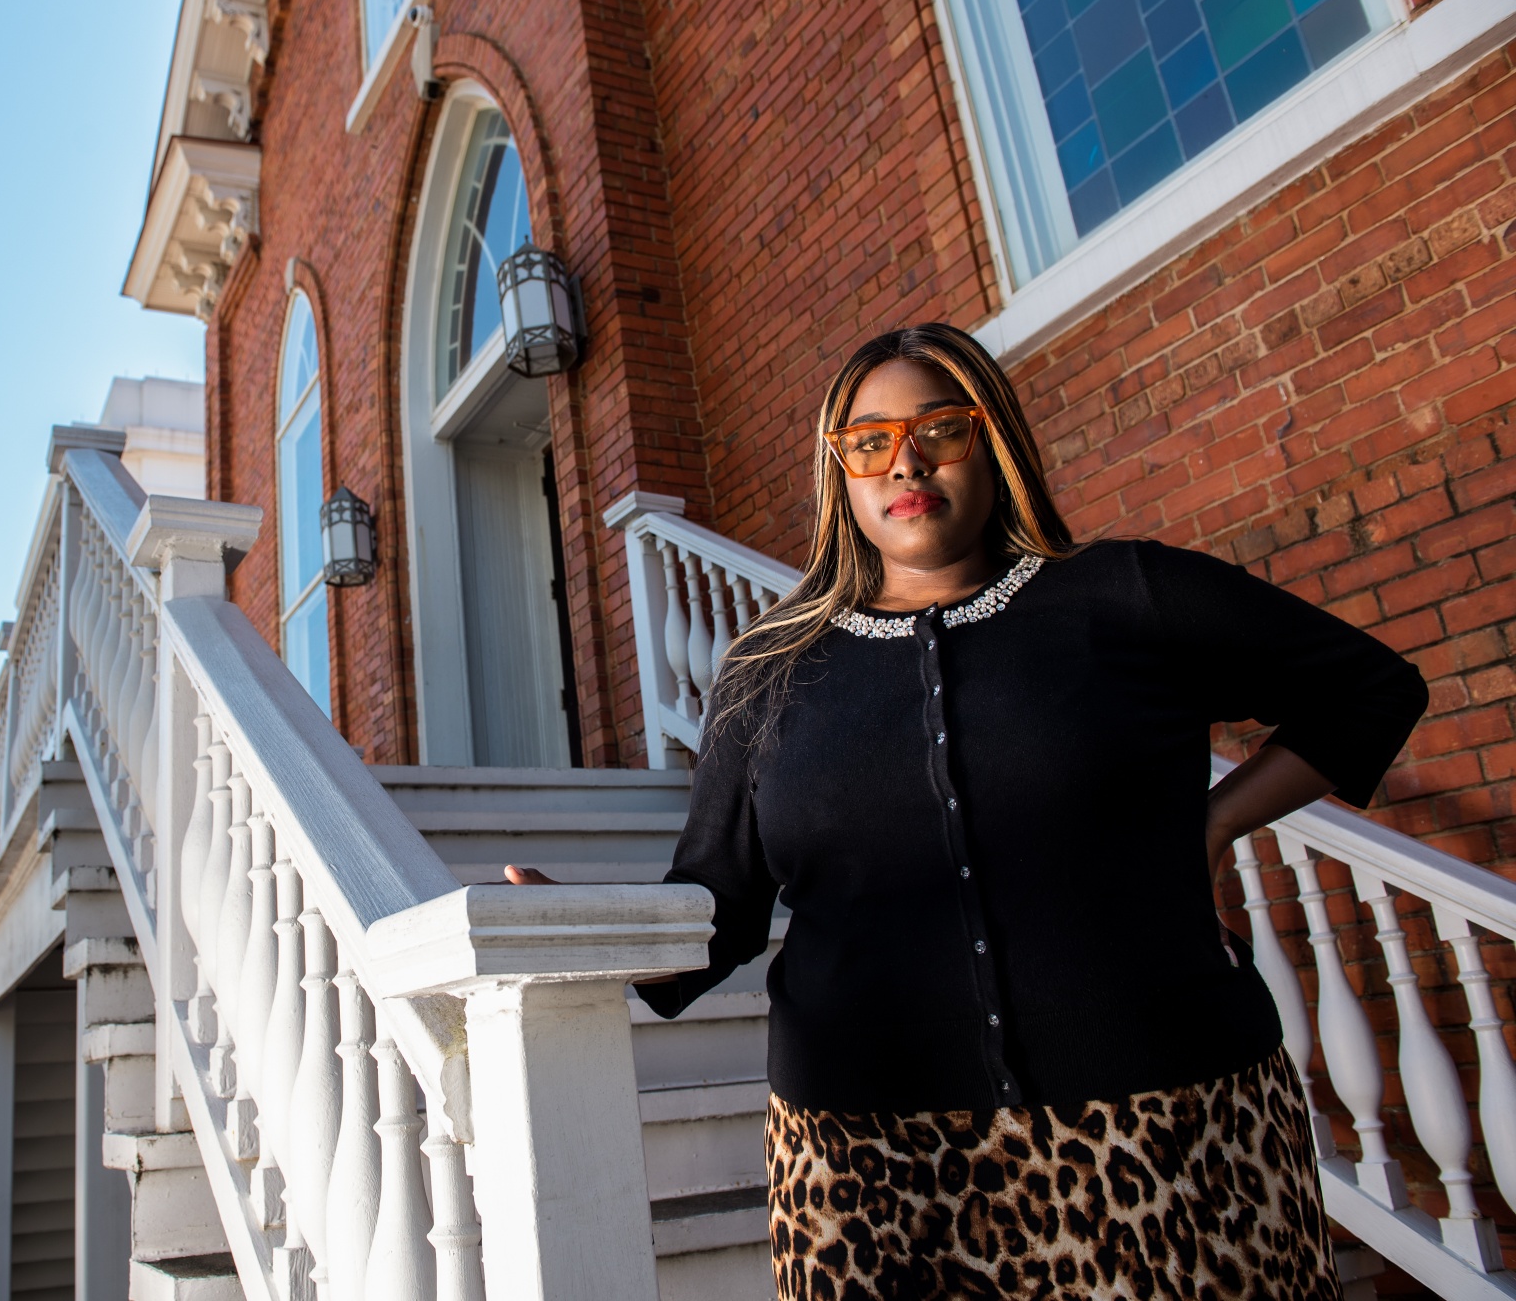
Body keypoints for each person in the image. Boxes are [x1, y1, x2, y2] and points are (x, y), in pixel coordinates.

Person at [508, 323, 1426, 1298]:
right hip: (866, 1179)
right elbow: (719, 906)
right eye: (868, 441)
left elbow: (1366, 691)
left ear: (992, 441)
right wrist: (584, 925)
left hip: (1172, 1135)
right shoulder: (767, 673)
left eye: (938, 427)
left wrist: (1209, 822)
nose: (903, 459)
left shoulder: (1127, 594)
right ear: (840, 472)